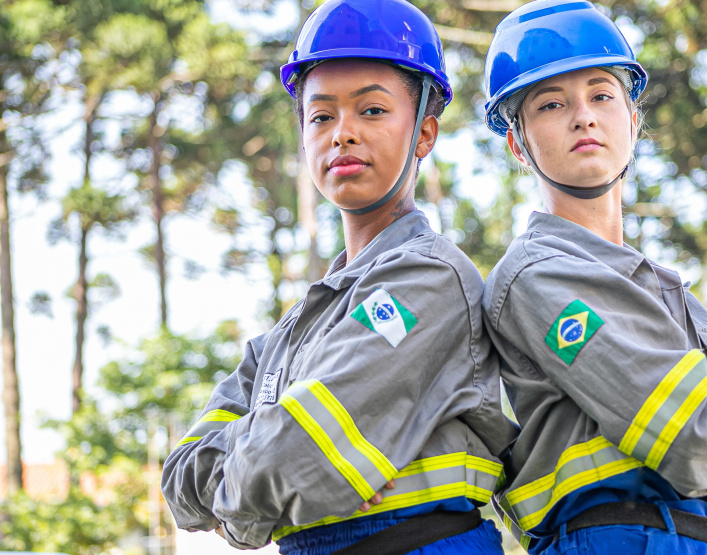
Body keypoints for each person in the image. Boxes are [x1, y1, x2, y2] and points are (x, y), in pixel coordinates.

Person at [160, 1, 518, 553]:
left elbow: (299, 456)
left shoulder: (430, 280)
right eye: (321, 116)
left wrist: (242, 500)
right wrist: (266, 475)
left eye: (372, 111)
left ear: (424, 134)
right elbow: (178, 476)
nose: (342, 134)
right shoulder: (287, 335)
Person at [480, 1, 707, 553]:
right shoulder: (536, 276)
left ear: (633, 120)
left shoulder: (669, 288)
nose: (583, 116)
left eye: (602, 95)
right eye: (552, 103)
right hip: (609, 538)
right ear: (518, 143)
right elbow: (697, 443)